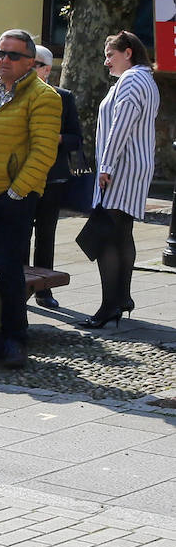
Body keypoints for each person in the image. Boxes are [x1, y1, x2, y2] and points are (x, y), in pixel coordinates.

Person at [0, 29, 61, 368]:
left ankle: (14, 339)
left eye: (12, 56)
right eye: (0, 54)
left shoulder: (44, 96)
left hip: (14, 198)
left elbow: (43, 153)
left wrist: (16, 192)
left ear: (30, 62)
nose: (3, 61)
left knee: (9, 270)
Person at [79, 30, 159, 328]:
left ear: (128, 52)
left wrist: (107, 165)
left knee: (107, 237)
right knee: (121, 232)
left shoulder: (132, 80)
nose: (106, 61)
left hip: (121, 168)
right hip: (134, 166)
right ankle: (121, 298)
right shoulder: (145, 79)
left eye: (110, 54)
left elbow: (121, 125)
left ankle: (109, 306)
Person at [29, 45, 83, 309]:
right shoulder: (16, 94)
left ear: (47, 69)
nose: (28, 67)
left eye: (34, 64)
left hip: (53, 178)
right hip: (22, 177)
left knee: (46, 234)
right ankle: (19, 283)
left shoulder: (63, 97)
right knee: (18, 232)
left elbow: (76, 138)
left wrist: (58, 138)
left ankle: (43, 289)